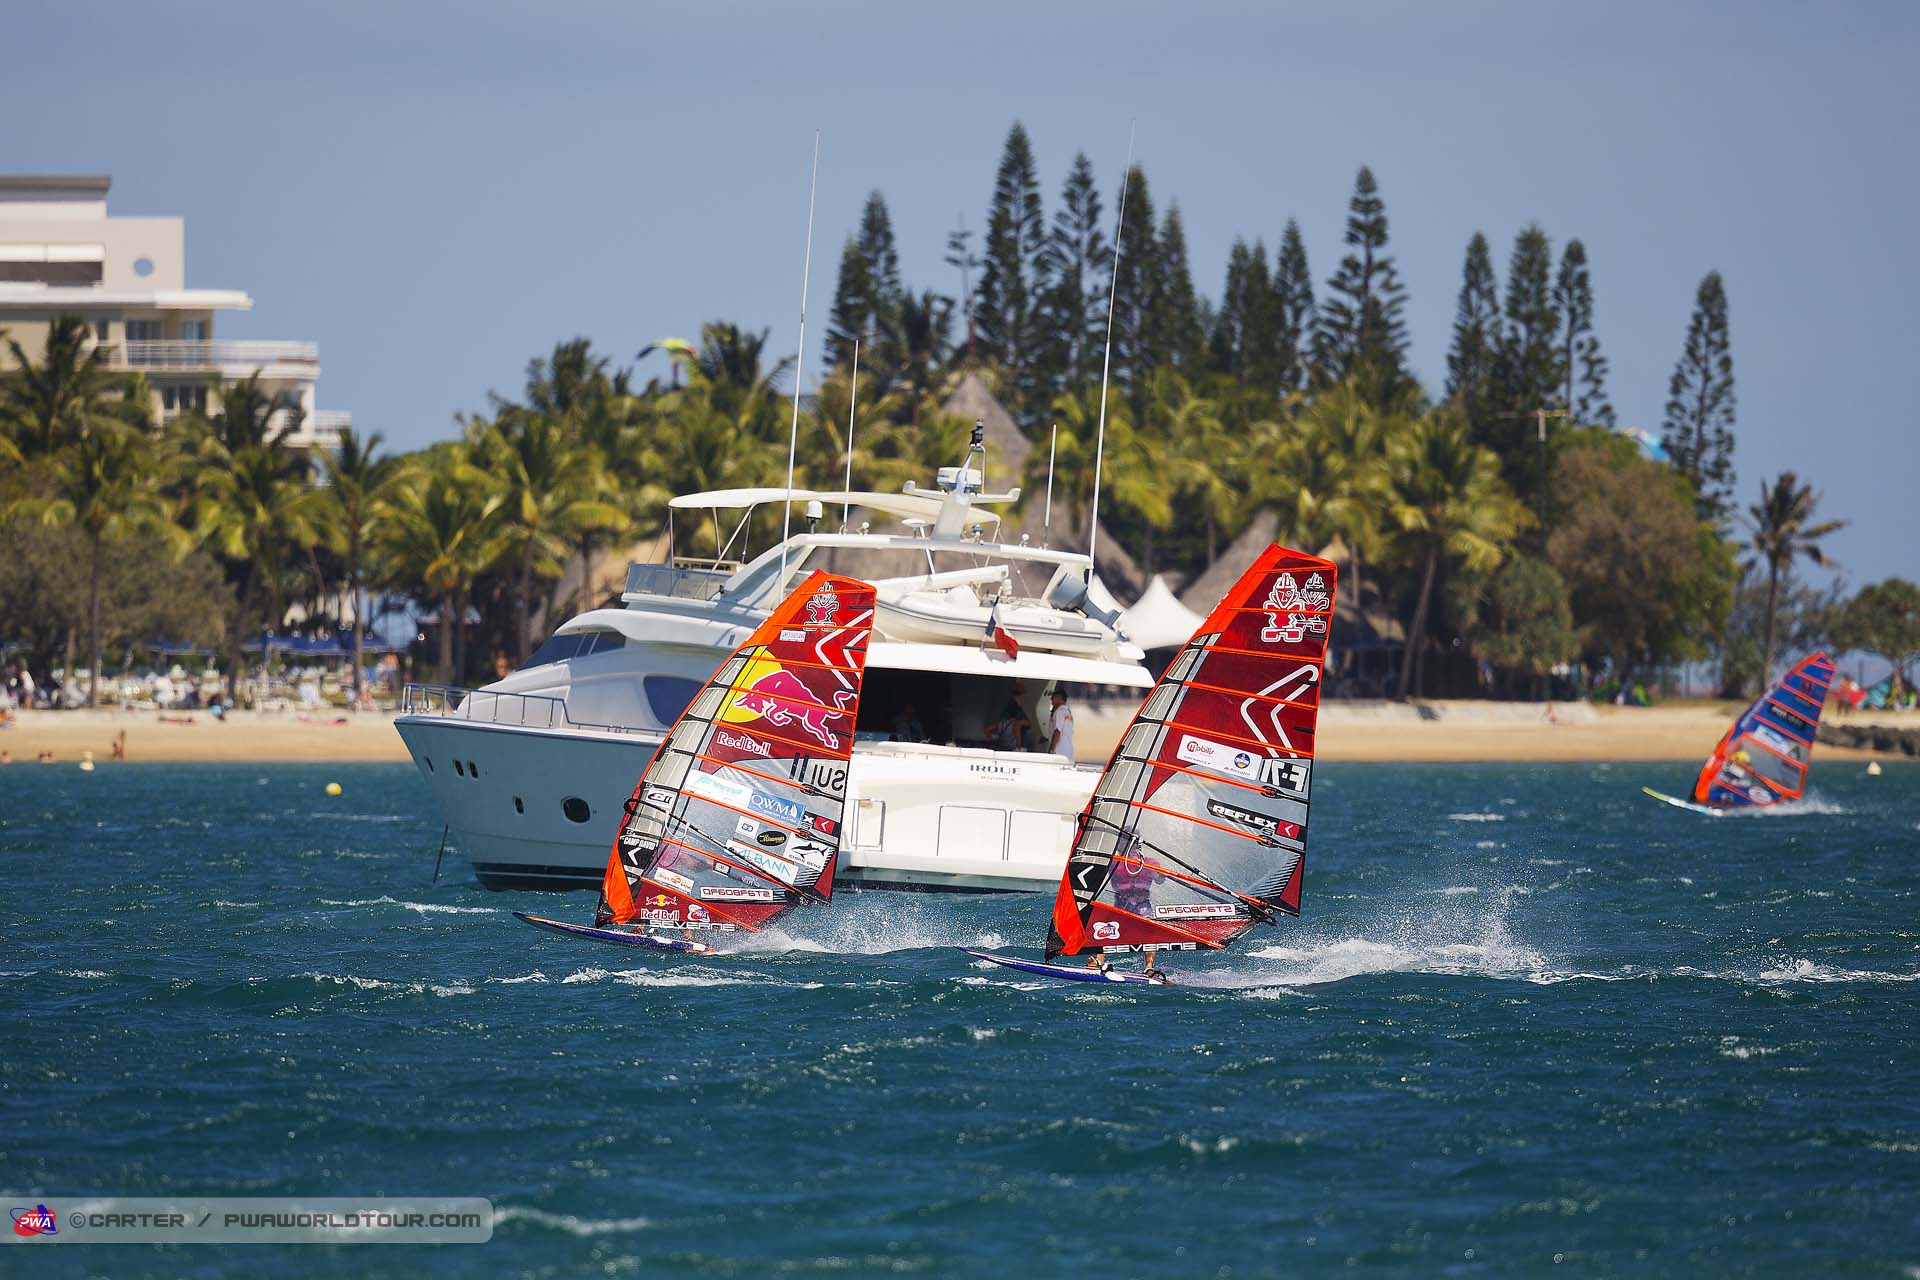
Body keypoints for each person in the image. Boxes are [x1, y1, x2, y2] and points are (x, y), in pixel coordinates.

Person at [1090, 828, 1161, 977]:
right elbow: (1160, 880)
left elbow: (1160, 879)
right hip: (1123, 909)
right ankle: (1099, 961)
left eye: (1120, 840)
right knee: (1102, 929)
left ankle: (1148, 966)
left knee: (1147, 931)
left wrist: (1157, 872)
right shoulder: (1119, 862)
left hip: (1139, 909)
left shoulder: (1117, 862)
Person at [987, 682, 1030, 752]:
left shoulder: (1007, 712)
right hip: (1016, 747)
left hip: (1006, 746)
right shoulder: (1016, 709)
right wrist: (1018, 746)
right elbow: (1017, 726)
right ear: (1020, 695)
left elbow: (987, 729)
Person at [1047, 688, 1075, 760]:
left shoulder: (1059, 711)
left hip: (1059, 751)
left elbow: (1057, 732)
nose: (1051, 701)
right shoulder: (1068, 712)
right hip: (1068, 750)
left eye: (1053, 698)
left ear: (1059, 699)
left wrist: (1051, 750)